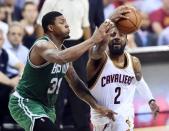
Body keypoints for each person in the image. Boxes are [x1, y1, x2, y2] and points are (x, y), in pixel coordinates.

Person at [8, 11, 115, 131]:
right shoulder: (41, 45)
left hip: (47, 108)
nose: (67, 25)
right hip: (26, 101)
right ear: (51, 28)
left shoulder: (64, 52)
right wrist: (93, 40)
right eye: (62, 22)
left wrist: (96, 106)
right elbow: (61, 57)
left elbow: (76, 83)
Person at [86, 7, 160, 131]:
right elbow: (98, 44)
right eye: (113, 34)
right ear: (107, 37)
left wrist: (151, 100)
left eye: (121, 35)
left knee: (122, 120)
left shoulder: (134, 62)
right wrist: (109, 20)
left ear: (126, 39)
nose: (117, 37)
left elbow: (139, 81)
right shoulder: (98, 59)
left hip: (125, 116)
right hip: (101, 118)